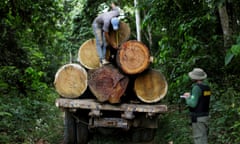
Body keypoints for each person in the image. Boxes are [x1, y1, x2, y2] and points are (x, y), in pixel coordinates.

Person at [181, 68, 211, 144]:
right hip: (205, 117)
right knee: (204, 138)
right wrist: (191, 96)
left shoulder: (196, 88)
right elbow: (201, 99)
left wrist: (187, 98)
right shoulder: (207, 87)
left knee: (199, 140)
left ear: (194, 78)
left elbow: (193, 104)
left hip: (198, 118)